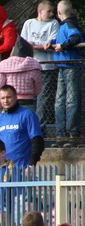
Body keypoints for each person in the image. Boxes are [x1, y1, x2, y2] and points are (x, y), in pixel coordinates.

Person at [21, 1, 59, 130]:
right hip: (31, 66)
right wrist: (37, 46)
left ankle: (39, 128)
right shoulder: (29, 23)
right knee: (31, 98)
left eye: (52, 11)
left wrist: (36, 45)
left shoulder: (53, 24)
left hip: (47, 67)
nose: (52, 14)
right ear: (40, 11)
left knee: (44, 99)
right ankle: (29, 127)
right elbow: (23, 43)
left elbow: (50, 44)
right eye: (49, 11)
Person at [49, 1, 83, 142]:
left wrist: (63, 46)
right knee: (60, 101)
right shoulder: (64, 26)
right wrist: (51, 42)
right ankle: (61, 132)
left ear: (59, 13)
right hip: (63, 66)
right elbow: (60, 40)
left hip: (71, 67)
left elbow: (75, 37)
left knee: (70, 101)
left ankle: (72, 133)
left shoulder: (69, 25)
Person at [0, 85, 44, 168]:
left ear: (15, 97)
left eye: (8, 97)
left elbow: (37, 140)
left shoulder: (28, 115)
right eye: (2, 98)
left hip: (22, 167)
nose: (6, 101)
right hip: (3, 168)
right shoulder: (0, 118)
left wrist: (32, 163)